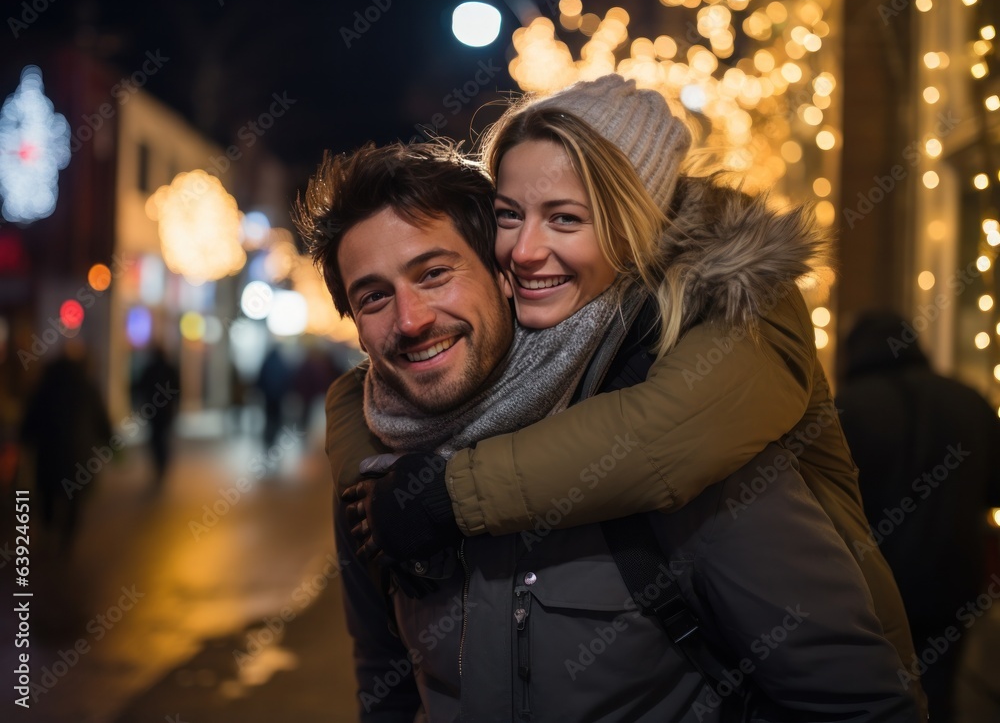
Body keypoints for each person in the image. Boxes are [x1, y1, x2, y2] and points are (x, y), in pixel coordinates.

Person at [325, 75, 922, 690]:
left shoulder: (709, 350)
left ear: (632, 228)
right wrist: (362, 456)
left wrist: (449, 497)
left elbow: (847, 689)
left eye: (566, 218)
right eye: (510, 216)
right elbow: (387, 675)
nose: (526, 250)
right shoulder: (394, 450)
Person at [837, 310, 1000, 722]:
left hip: (870, 586)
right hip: (952, 582)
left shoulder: (846, 411)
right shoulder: (968, 401)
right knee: (938, 693)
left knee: (872, 697)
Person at [20, 343, 112, 551]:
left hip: (48, 451)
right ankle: (67, 537)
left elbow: (31, 417)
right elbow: (100, 418)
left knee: (48, 490)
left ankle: (49, 523)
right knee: (74, 496)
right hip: (78, 453)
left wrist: (25, 438)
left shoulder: (45, 385)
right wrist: (109, 440)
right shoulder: (87, 386)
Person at [135, 344, 180, 485]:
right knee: (163, 438)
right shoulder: (169, 369)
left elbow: (140, 387)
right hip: (166, 411)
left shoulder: (151, 369)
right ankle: (162, 465)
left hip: (153, 410)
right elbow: (177, 390)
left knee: (156, 438)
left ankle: (159, 465)